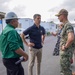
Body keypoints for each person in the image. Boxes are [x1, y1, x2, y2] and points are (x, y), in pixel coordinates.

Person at [55, 9, 74, 75]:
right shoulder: (65, 25)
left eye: (59, 16)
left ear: (63, 15)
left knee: (65, 72)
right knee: (65, 71)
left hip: (66, 53)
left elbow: (71, 38)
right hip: (66, 54)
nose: (58, 17)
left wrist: (65, 47)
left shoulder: (68, 25)